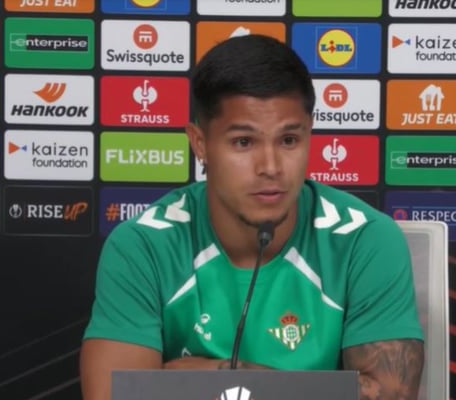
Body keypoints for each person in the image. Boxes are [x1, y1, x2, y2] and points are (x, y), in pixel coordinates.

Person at [80, 34, 424, 400]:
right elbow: (114, 396)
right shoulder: (143, 245)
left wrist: (223, 376)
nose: (271, 167)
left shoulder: (366, 239)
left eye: (288, 140)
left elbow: (390, 396)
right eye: (244, 142)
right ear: (200, 143)